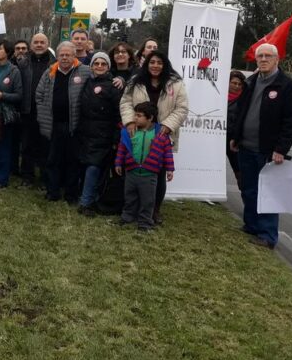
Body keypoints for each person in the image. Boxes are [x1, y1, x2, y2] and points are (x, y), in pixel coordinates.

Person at [230, 43, 292, 249]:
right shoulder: (251, 81)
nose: (263, 59)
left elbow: (291, 121)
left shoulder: (286, 86)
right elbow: (242, 111)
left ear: (277, 60)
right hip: (246, 146)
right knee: (248, 189)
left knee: (268, 193)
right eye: (260, 56)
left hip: (268, 151)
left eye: (267, 56)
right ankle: (251, 225)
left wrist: (281, 149)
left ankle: (268, 235)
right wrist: (236, 136)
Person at [120, 50, 188, 224]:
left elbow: (182, 108)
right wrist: (129, 122)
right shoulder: (136, 81)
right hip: (138, 132)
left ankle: (154, 211)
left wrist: (167, 126)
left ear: (164, 65)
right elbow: (126, 102)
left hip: (161, 134)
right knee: (135, 171)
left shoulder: (176, 83)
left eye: (159, 62)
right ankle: (132, 210)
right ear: (146, 64)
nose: (155, 66)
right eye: (152, 62)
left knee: (158, 174)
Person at [35, 41, 90, 203]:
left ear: (74, 56)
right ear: (57, 56)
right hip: (54, 125)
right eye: (62, 55)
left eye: (68, 55)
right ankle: (53, 191)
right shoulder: (49, 73)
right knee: (52, 160)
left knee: (73, 160)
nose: (65, 58)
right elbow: (39, 96)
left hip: (74, 126)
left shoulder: (85, 72)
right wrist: (42, 114)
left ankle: (71, 194)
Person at [115, 102, 175, 231]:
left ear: (150, 118)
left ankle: (145, 223)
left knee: (148, 201)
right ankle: (127, 217)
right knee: (130, 198)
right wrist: (118, 163)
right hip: (131, 173)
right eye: (135, 115)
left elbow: (167, 153)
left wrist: (170, 169)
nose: (135, 118)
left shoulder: (161, 134)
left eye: (139, 115)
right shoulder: (129, 132)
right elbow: (122, 148)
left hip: (149, 175)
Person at [77, 52, 122, 216]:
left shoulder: (113, 86)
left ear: (108, 67)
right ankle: (89, 197)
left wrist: (116, 135)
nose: (100, 66)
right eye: (96, 63)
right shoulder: (88, 82)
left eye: (103, 64)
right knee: (87, 165)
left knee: (94, 167)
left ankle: (86, 202)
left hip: (103, 134)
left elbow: (119, 114)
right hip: (85, 132)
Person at [17, 32, 55, 187]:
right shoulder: (22, 63)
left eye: (42, 42)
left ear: (47, 44)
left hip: (47, 113)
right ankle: (27, 176)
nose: (39, 45)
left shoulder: (55, 63)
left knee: (46, 146)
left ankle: (45, 178)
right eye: (36, 42)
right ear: (31, 45)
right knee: (27, 145)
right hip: (28, 110)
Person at [0, 40, 22, 189]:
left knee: (4, 146)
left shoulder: (14, 71)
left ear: (7, 52)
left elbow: (19, 95)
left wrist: (4, 96)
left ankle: (2, 179)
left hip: (5, 115)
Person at [226, 70, 247, 187]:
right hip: (218, 138)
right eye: (234, 83)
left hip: (234, 140)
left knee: (239, 170)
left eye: (239, 84)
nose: (237, 86)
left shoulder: (245, 100)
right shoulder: (218, 97)